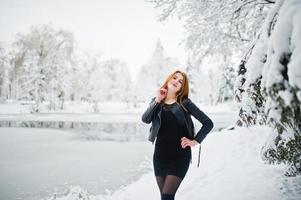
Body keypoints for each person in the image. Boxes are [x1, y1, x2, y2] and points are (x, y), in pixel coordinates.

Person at [141, 69, 214, 200]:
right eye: (174, 78)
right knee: (165, 196)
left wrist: (195, 141)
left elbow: (208, 123)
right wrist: (158, 99)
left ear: (181, 88)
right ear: (169, 79)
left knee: (167, 196)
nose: (176, 81)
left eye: (180, 81)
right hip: (160, 156)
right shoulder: (157, 101)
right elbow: (145, 119)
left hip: (180, 156)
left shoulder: (184, 103)